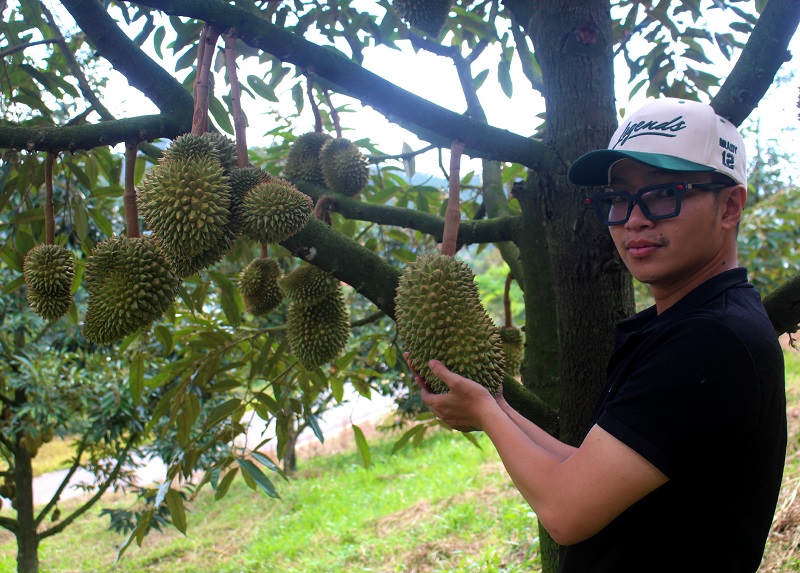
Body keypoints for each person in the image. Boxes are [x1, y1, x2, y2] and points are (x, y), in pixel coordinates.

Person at [409, 98, 787, 572]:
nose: (634, 220)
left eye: (662, 194)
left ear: (730, 205)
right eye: (617, 199)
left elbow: (567, 512)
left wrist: (484, 412)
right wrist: (498, 404)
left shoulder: (709, 342)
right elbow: (584, 471)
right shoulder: (697, 323)